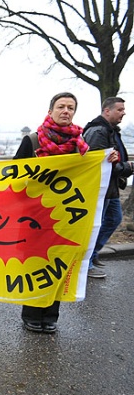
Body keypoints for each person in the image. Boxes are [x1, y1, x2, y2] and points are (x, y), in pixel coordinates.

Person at [13, 92, 95, 334]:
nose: (66, 111)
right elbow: (15, 174)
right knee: (35, 266)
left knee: (57, 263)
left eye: (71, 107)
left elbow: (92, 173)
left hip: (64, 217)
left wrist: (109, 161)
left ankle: (51, 314)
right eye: (61, 106)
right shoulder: (33, 141)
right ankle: (31, 313)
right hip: (33, 216)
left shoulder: (81, 145)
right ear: (50, 111)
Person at [82, 97, 134, 278]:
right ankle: (86, 264)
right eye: (120, 109)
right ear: (107, 111)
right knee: (95, 226)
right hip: (99, 188)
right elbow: (98, 164)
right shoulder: (98, 131)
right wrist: (128, 167)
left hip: (109, 188)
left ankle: (92, 255)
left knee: (113, 219)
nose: (123, 113)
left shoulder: (110, 130)